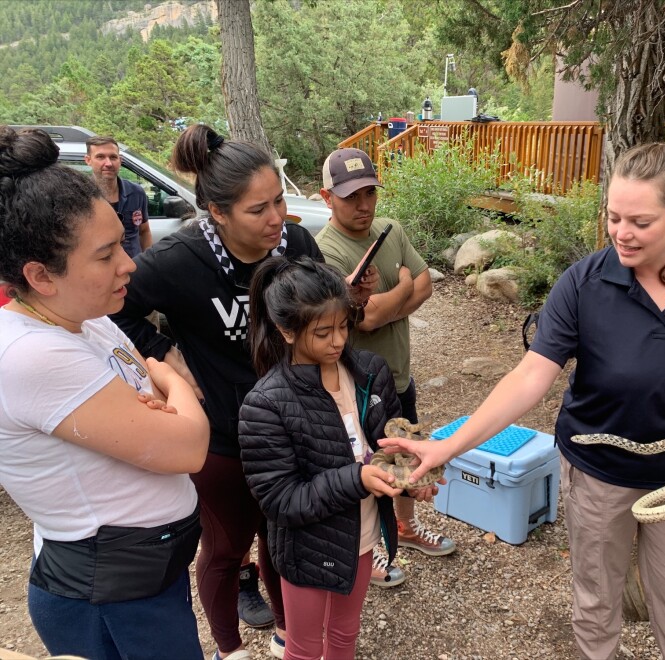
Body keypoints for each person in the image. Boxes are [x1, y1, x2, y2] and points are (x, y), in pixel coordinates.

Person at [379, 142, 665, 660]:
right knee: (596, 599)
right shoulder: (585, 283)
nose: (621, 233)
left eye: (640, 221)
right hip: (597, 472)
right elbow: (529, 377)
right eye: (613, 217)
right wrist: (447, 446)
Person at [109, 125, 376, 660]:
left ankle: (286, 632)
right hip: (222, 436)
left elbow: (313, 315)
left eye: (279, 199)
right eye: (259, 210)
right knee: (227, 548)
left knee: (285, 535)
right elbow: (117, 310)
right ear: (217, 212)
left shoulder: (295, 243)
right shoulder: (177, 260)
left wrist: (346, 304)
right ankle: (229, 649)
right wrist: (163, 355)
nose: (277, 218)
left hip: (297, 424)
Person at [0, 126, 209, 659]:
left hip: (144, 582)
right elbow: (188, 444)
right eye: (106, 254)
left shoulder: (85, 317)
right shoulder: (33, 354)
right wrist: (174, 383)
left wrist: (164, 387)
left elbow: (150, 378)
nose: (130, 264)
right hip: (108, 600)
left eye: (122, 241)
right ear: (41, 276)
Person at [239, 256, 404, 660]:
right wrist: (358, 479)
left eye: (344, 327)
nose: (338, 342)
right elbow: (280, 500)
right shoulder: (266, 404)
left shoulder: (370, 371)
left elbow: (393, 442)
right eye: (323, 332)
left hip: (363, 537)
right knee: (304, 646)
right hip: (307, 548)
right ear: (286, 331)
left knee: (346, 634)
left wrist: (414, 475)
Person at [316, 147, 456, 588]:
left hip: (398, 374)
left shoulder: (389, 230)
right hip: (354, 384)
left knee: (406, 456)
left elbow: (425, 285)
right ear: (327, 197)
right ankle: (369, 550)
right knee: (363, 466)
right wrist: (399, 292)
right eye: (351, 196)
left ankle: (407, 529)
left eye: (370, 193)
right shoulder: (325, 251)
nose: (363, 205)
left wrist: (385, 302)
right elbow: (368, 315)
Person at [84, 136, 153, 257]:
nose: (108, 163)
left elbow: (144, 231)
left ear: (120, 160)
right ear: (88, 160)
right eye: (100, 157)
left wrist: (150, 263)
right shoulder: (80, 195)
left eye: (113, 157)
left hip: (134, 267)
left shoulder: (136, 193)